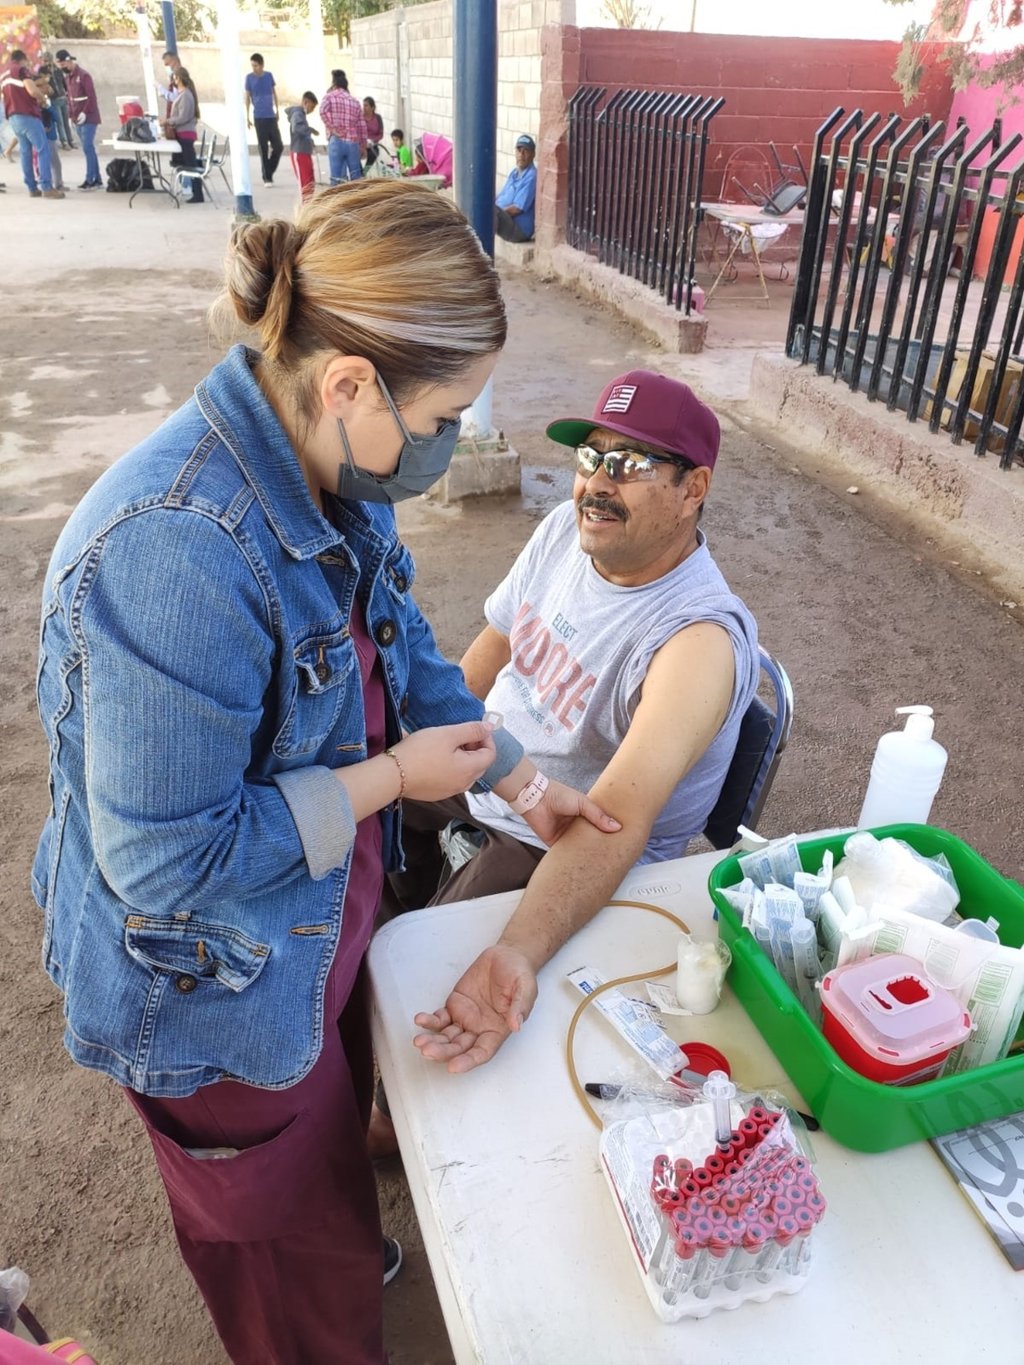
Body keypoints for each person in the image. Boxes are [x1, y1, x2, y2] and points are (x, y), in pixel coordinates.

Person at [31, 179, 617, 1365]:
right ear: (348, 381)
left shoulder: (325, 464)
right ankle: (314, 1287)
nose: (449, 447)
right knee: (288, 1283)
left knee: (323, 1158)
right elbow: (164, 860)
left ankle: (333, 1237)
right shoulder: (177, 552)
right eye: (444, 417)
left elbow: (397, 651)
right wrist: (387, 782)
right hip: (214, 988)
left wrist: (518, 776)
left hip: (306, 933)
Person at [398, 370, 760, 1080]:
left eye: (627, 464)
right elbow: (490, 650)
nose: (597, 482)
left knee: (436, 994)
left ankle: (382, 1119)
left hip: (558, 838)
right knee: (352, 826)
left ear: (694, 489)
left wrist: (519, 950)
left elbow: (615, 820)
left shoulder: (695, 642)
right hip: (495, 765)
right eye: (590, 457)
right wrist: (424, 739)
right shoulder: (565, 531)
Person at [1, 48, 63, 198]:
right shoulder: (21, 70)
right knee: (43, 149)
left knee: (25, 152)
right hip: (27, 115)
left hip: (14, 118)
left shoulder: (4, 75)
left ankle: (32, 187)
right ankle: (47, 188)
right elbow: (32, 90)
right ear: (22, 59)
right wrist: (43, 98)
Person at [55, 50, 100, 189]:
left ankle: (90, 179)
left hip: (89, 117)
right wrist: (70, 116)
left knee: (87, 147)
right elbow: (70, 99)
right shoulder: (67, 78)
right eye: (60, 65)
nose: (62, 67)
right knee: (88, 149)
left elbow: (91, 97)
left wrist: (85, 112)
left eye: (63, 64)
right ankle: (97, 179)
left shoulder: (84, 75)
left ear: (69, 60)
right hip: (76, 118)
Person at [162, 67, 204, 204]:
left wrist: (168, 121)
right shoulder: (183, 94)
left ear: (179, 78)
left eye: (174, 78)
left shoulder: (185, 95)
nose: (173, 80)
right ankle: (189, 189)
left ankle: (198, 194)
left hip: (185, 134)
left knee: (191, 166)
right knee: (180, 162)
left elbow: (183, 116)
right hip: (182, 134)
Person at [320, 68, 365, 184]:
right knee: (356, 178)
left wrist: (333, 128)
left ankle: (337, 200)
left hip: (336, 141)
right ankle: (357, 200)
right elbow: (361, 126)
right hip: (352, 142)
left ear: (334, 83)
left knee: (337, 178)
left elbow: (322, 111)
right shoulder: (354, 101)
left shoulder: (329, 96)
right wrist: (363, 146)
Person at [245, 52, 282, 187]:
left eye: (256, 65)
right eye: (252, 65)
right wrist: (247, 116)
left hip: (270, 115)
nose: (254, 68)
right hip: (258, 117)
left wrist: (277, 110)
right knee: (263, 147)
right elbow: (247, 97)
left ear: (262, 65)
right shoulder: (249, 78)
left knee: (278, 146)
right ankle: (267, 178)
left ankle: (269, 170)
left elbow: (274, 93)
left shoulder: (268, 76)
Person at [495, 132, 537, 243]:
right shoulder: (514, 172)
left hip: (519, 230)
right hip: (505, 220)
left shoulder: (532, 176)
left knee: (490, 213)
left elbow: (517, 209)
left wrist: (496, 214)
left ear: (533, 154)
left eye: (526, 151)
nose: (521, 155)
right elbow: (502, 195)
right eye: (519, 150)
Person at [285, 90, 318, 202]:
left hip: (304, 151)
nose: (311, 111)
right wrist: (310, 130)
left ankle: (308, 205)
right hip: (299, 153)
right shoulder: (297, 113)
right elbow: (297, 128)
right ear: (306, 102)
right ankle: (304, 209)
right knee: (304, 184)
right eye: (311, 107)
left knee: (309, 181)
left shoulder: (301, 115)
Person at [39, 51, 73, 148]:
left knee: (66, 121)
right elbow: (41, 82)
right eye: (44, 60)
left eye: (47, 59)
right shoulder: (42, 70)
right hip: (54, 98)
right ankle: (64, 141)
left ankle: (70, 140)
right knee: (60, 121)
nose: (46, 62)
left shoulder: (57, 69)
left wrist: (67, 93)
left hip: (62, 97)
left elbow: (64, 82)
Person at [158, 49, 181, 120]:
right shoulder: (173, 75)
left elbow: (175, 98)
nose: (167, 67)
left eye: (167, 64)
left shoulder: (179, 75)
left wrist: (161, 88)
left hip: (178, 118)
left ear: (174, 61)